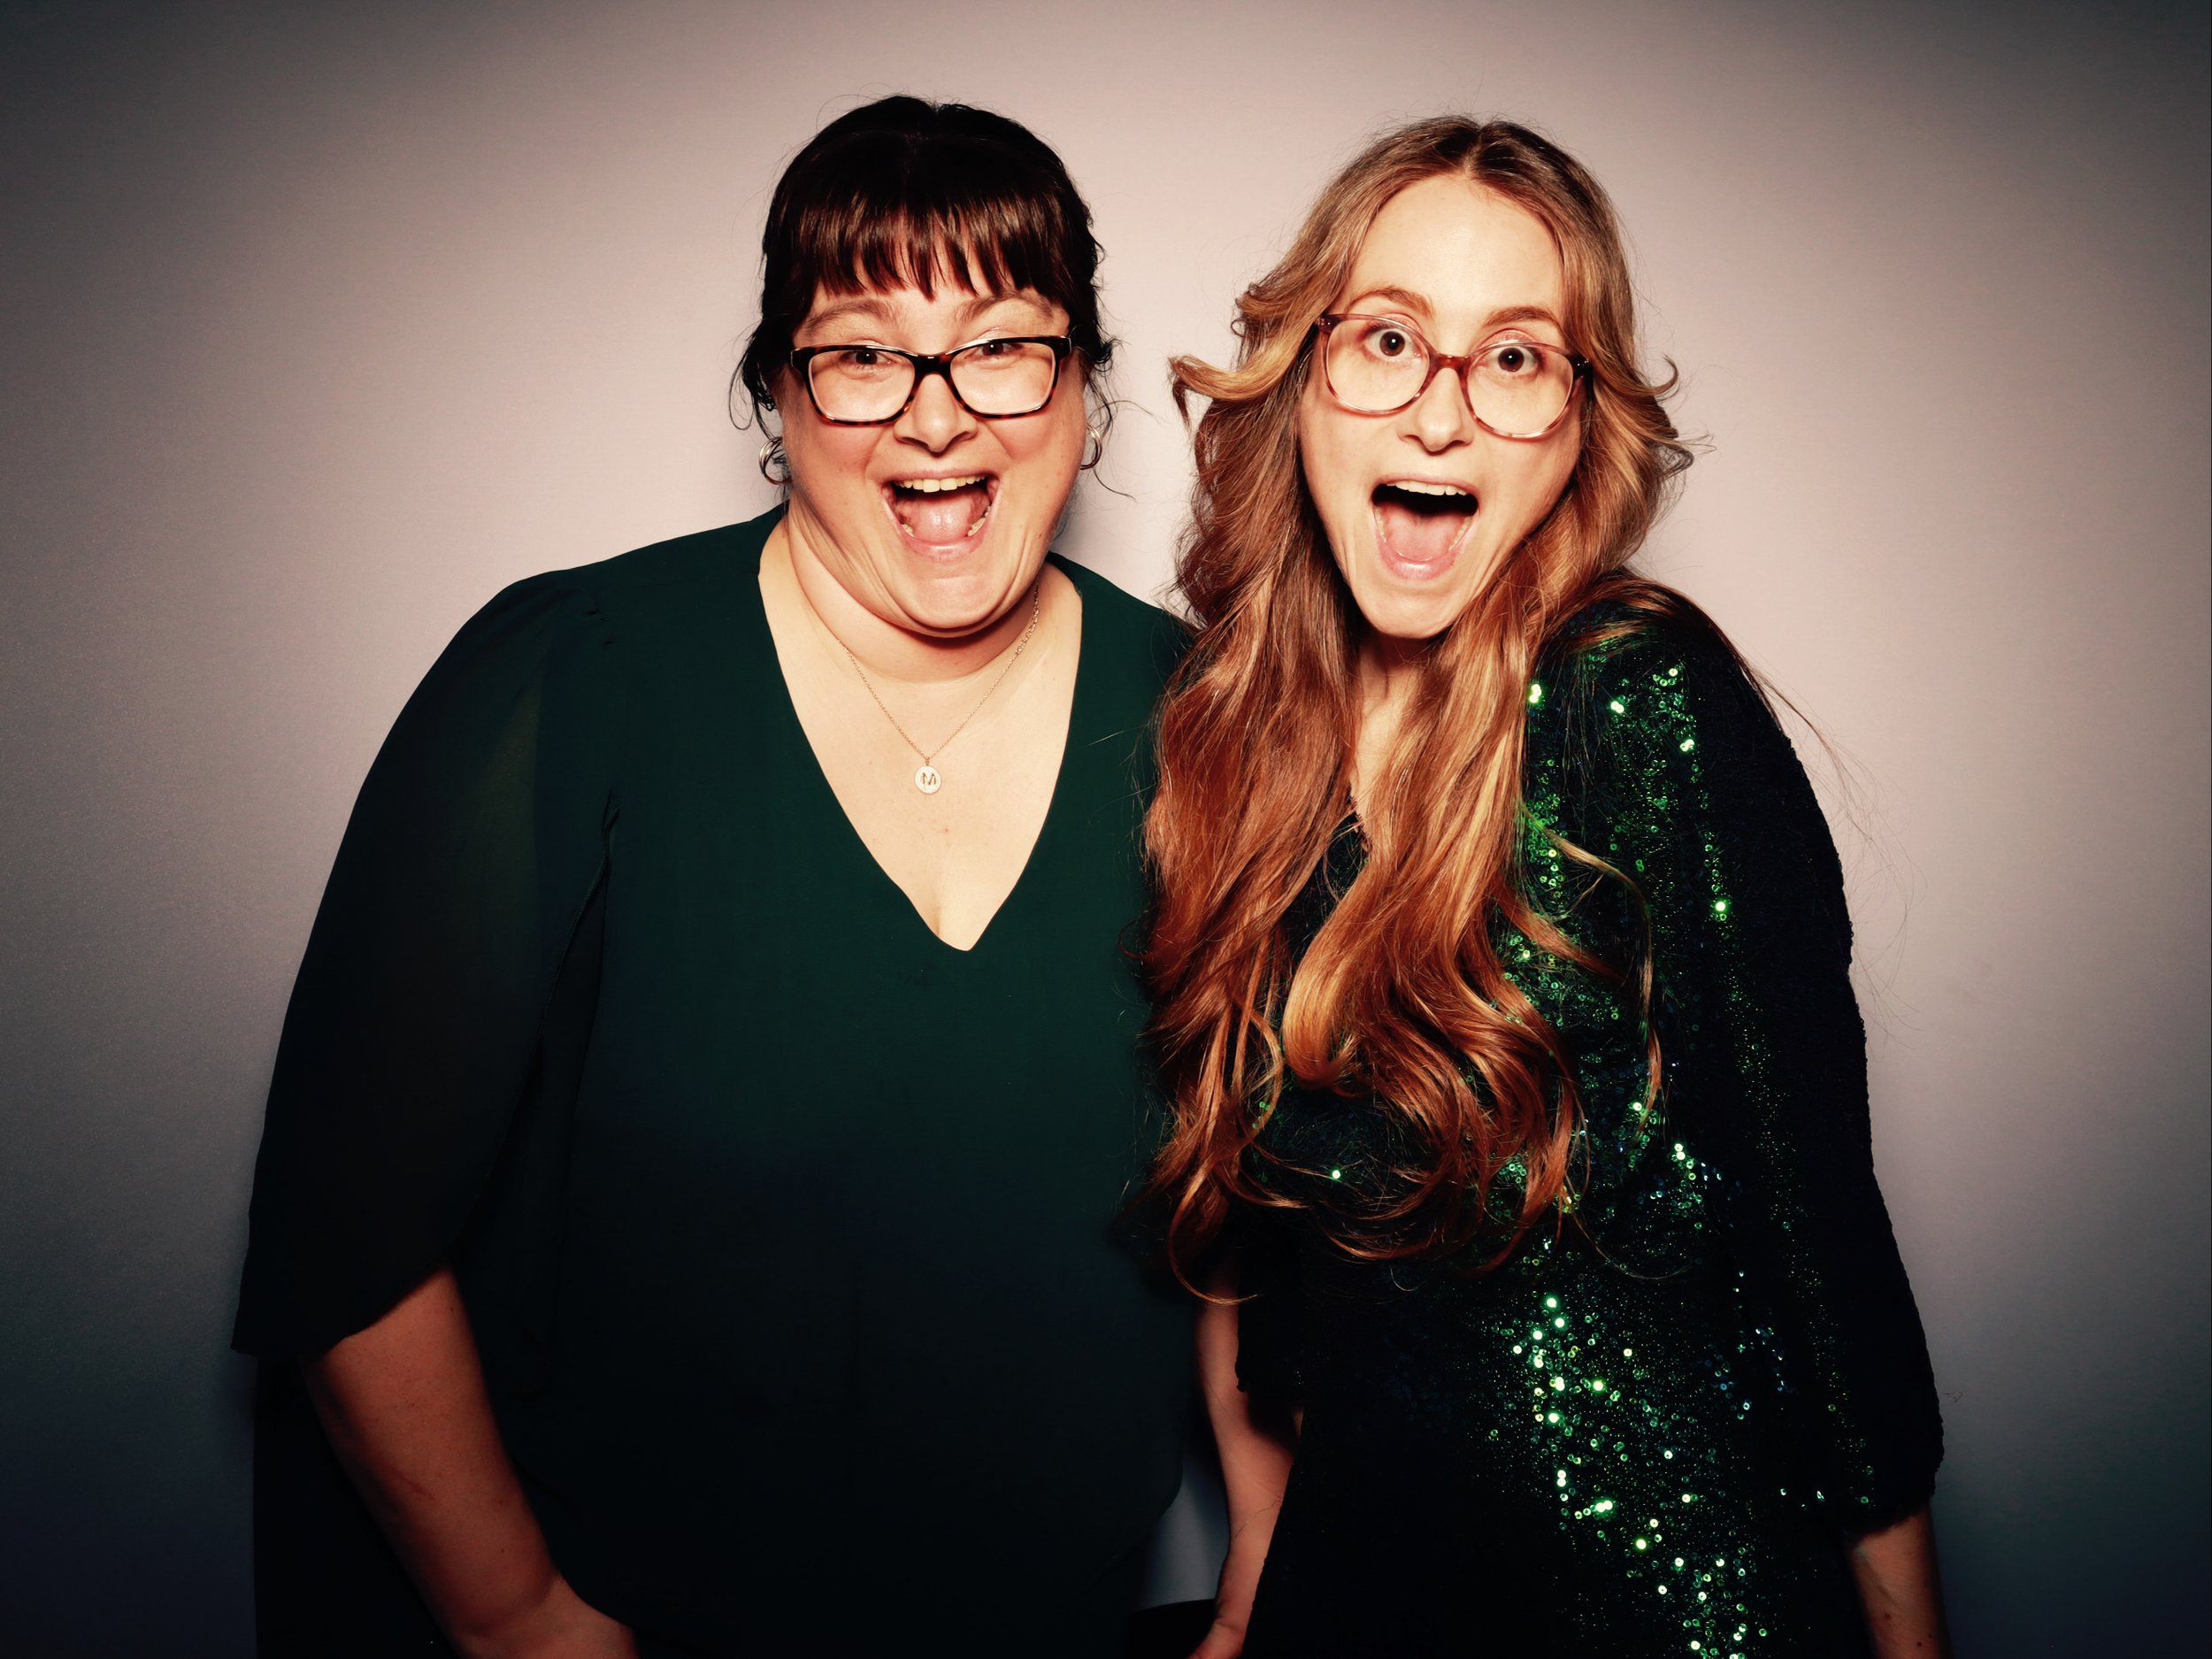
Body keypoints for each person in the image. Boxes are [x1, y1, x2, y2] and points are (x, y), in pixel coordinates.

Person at [233, 96, 1191, 1659]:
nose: (936, 417)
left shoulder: (1204, 723)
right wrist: (522, 1624)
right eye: (864, 351)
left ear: (1082, 382)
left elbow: (1265, 1217)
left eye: (1005, 342)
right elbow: (348, 1239)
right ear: (778, 389)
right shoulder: (573, 681)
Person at [1142, 118, 1948, 1658]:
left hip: (1671, 1613)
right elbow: (1253, 1244)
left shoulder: (1637, 705)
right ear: (1306, 382)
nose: (1440, 414)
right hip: (1361, 1587)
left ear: (1580, 426)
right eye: (1387, 340)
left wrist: (1912, 1648)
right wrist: (1256, 1574)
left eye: (1515, 359)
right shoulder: (1235, 738)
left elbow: (1816, 1240)